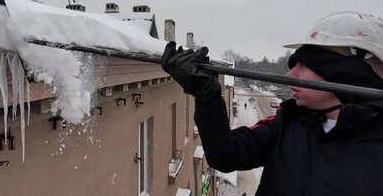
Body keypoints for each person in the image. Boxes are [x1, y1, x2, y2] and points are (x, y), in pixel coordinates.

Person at [161, 12, 383, 196]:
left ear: (347, 73)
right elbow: (225, 155)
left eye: (305, 65)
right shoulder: (289, 123)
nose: (291, 74)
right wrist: (207, 96)